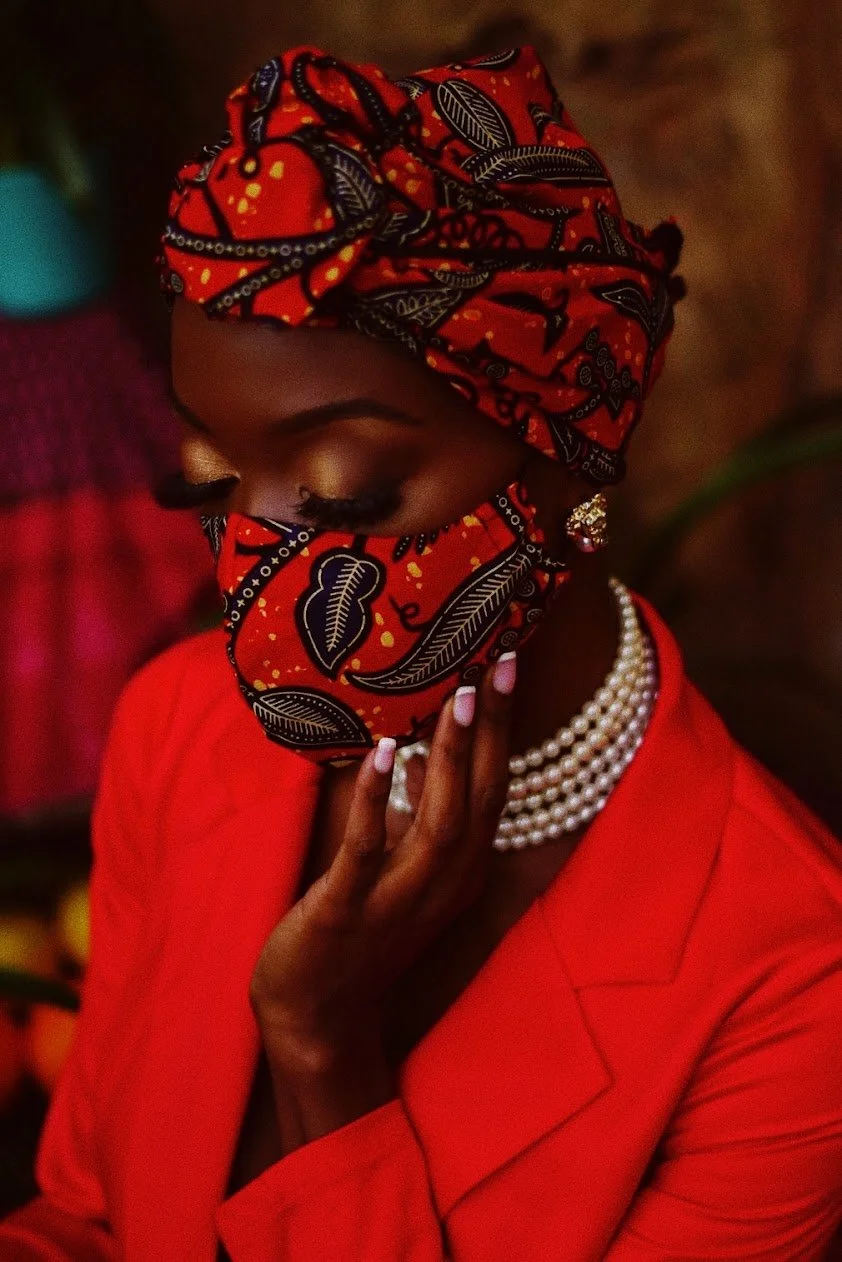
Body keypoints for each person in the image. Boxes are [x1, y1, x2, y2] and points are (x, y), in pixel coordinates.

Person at [2, 43, 841, 1262]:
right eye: (213, 488)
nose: (257, 564)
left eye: (345, 495)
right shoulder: (179, 727)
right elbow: (79, 1219)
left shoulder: (789, 989)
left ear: (571, 456)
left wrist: (323, 1050)